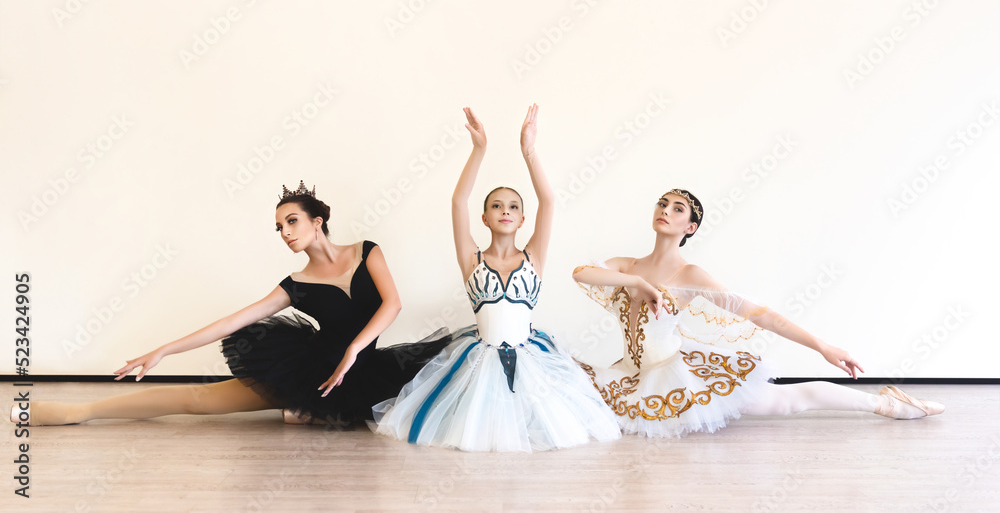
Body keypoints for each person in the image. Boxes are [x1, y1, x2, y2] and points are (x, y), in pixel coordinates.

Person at [11, 182, 449, 427]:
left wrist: (354, 350)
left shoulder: (366, 252)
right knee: (196, 401)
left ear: (318, 222)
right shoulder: (295, 285)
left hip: (365, 370)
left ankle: (304, 415)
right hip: (309, 373)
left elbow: (392, 305)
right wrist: (161, 350)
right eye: (279, 227)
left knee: (445, 377)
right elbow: (230, 322)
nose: (285, 233)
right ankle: (78, 411)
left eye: (292, 221)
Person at [572, 189, 944, 438]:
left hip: (675, 375)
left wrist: (821, 345)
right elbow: (581, 273)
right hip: (629, 375)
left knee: (786, 402)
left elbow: (760, 314)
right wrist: (640, 283)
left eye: (677, 209)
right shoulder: (627, 264)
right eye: (662, 204)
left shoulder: (690, 276)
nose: (665, 211)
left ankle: (886, 403)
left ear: (691, 227)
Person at [371, 105, 621, 451]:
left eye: (514, 207)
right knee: (477, 428)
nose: (506, 210)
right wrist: (479, 150)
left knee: (546, 425)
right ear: (485, 218)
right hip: (481, 356)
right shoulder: (471, 259)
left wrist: (529, 151)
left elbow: (548, 201)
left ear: (521, 220)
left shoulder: (534, 257)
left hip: (530, 355)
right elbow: (458, 200)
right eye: (497, 206)